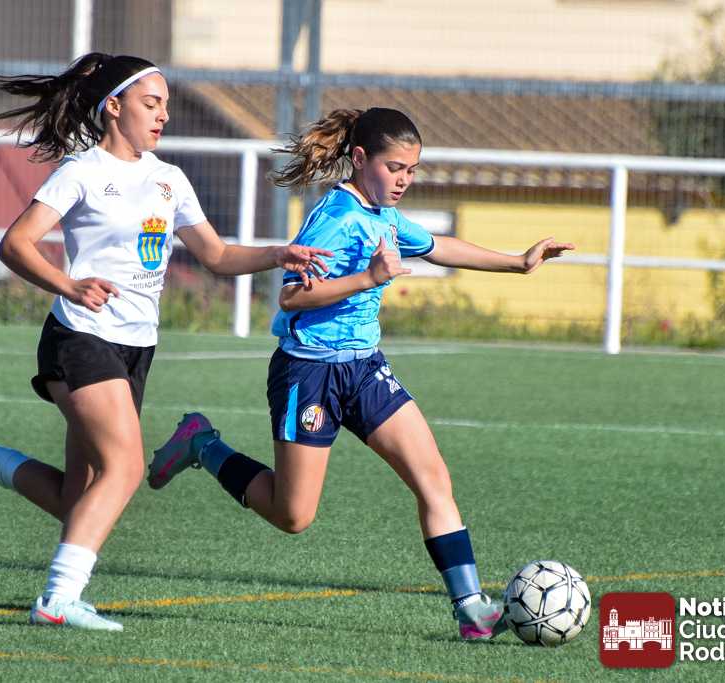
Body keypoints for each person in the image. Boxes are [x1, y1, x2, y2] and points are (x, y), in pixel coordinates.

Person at [146, 107, 575, 641]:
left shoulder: (385, 215)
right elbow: (291, 296)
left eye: (411, 170)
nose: (404, 180)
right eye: (394, 168)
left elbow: (438, 246)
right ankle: (203, 444)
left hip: (366, 369)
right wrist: (369, 277)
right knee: (293, 515)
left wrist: (519, 262)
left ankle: (471, 609)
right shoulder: (337, 217)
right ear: (359, 158)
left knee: (433, 479)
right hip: (309, 372)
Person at [0, 53, 331, 631]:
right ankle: (56, 600)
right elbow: (15, 244)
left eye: (165, 106)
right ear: (113, 107)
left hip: (135, 349)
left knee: (78, 502)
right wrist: (69, 285)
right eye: (151, 104)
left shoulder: (169, 179)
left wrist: (278, 254)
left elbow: (216, 255)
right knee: (123, 468)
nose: (163, 115)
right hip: (80, 337)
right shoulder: (81, 171)